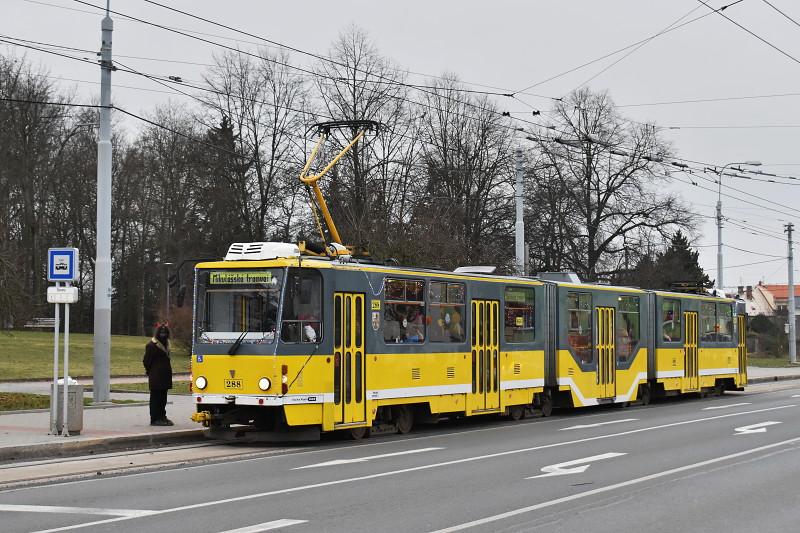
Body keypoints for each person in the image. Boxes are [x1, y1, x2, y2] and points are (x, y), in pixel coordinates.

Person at [143, 323, 174, 426]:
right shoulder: (151, 345)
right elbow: (146, 361)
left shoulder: (167, 344)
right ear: (157, 333)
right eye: (161, 332)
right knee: (155, 398)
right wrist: (150, 372)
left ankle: (162, 417)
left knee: (163, 398)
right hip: (156, 376)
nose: (163, 334)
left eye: (164, 332)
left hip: (164, 376)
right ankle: (155, 418)